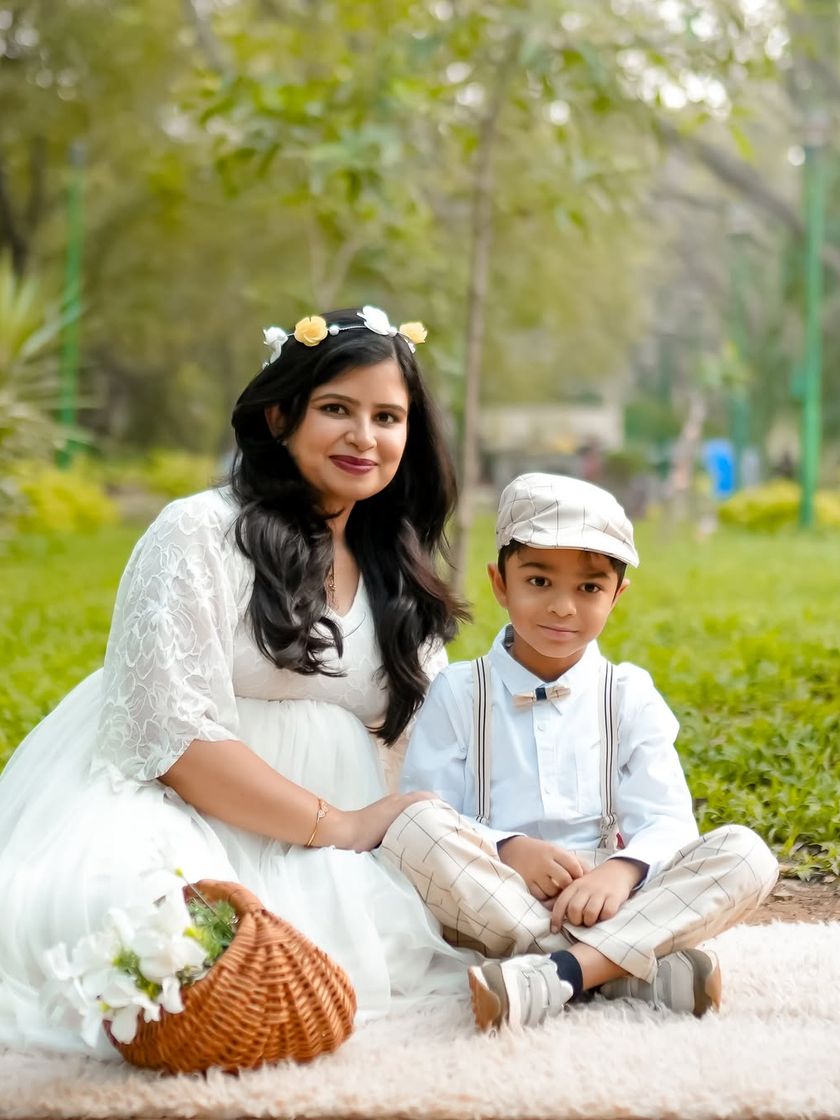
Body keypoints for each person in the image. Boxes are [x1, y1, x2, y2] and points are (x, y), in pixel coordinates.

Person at [0, 305, 478, 1057]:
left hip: (332, 844)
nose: (364, 436)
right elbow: (174, 741)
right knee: (152, 942)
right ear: (281, 415)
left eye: (387, 417)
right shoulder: (199, 532)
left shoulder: (395, 568)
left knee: (399, 937)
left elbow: (437, 738)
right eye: (337, 409)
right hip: (178, 808)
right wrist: (341, 825)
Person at [383, 472, 778, 1031]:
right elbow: (431, 809)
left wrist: (621, 871)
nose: (563, 607)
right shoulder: (460, 690)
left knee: (747, 855)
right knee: (409, 828)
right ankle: (618, 968)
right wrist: (508, 847)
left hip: (616, 895)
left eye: (589, 588)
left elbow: (668, 822)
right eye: (539, 581)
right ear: (500, 583)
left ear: (617, 596)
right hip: (502, 891)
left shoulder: (629, 693)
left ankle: (557, 973)